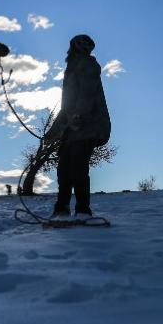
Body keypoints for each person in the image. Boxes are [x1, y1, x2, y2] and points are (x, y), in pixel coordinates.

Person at [43, 34, 111, 221]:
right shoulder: (71, 69)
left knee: (78, 168)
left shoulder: (87, 65)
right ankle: (61, 209)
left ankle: (82, 211)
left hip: (87, 125)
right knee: (64, 169)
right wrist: (53, 132)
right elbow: (66, 106)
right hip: (72, 129)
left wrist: (78, 116)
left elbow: (87, 95)